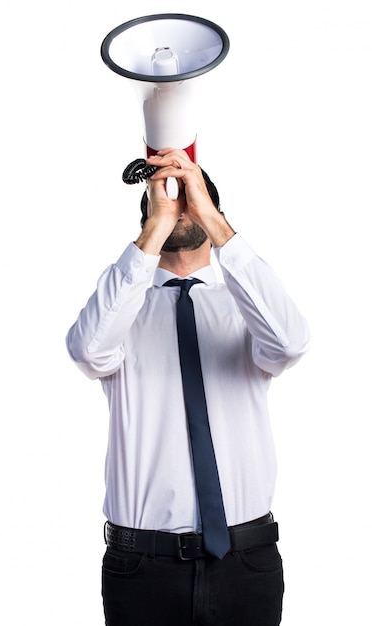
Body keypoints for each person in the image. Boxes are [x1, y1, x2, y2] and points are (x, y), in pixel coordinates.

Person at [66, 148, 309, 625]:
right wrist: (156, 227)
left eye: (189, 200)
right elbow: (87, 351)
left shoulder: (244, 306)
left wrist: (212, 218)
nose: (180, 209)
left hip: (246, 561)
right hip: (142, 568)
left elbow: (291, 342)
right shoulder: (123, 310)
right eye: (168, 202)